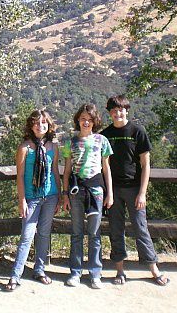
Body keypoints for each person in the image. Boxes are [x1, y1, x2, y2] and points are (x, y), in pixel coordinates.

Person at [101, 95, 169, 286]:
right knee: (116, 229)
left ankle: (154, 270)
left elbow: (146, 164)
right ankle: (120, 271)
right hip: (113, 190)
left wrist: (142, 192)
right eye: (114, 111)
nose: (118, 113)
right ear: (109, 113)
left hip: (134, 189)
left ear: (127, 110)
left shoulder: (138, 131)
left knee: (141, 228)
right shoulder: (105, 135)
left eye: (121, 110)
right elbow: (104, 166)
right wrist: (108, 192)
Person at [4, 109, 61, 291]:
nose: (40, 125)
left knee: (44, 234)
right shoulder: (24, 148)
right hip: (31, 198)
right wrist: (22, 200)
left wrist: (60, 196)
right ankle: (15, 276)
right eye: (36, 122)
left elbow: (55, 173)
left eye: (43, 122)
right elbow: (20, 176)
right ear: (31, 126)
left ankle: (40, 270)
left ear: (48, 125)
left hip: (50, 197)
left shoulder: (53, 146)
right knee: (27, 236)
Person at [62, 103, 113, 289]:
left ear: (94, 121)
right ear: (78, 120)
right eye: (83, 119)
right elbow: (67, 171)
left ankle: (95, 273)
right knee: (76, 233)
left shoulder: (102, 141)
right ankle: (75, 272)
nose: (86, 122)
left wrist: (110, 194)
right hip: (76, 192)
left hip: (97, 192)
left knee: (94, 234)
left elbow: (106, 169)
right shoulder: (71, 142)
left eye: (89, 119)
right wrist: (65, 194)